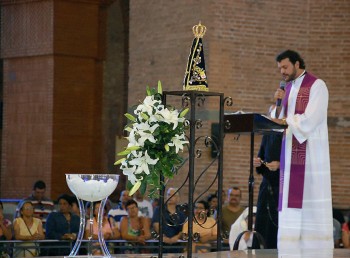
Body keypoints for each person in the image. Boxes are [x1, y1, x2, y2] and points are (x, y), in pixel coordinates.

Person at [272, 49, 333, 249]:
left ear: (297, 64)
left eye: (285, 66)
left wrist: (284, 120)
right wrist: (278, 104)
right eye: (280, 68)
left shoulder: (317, 86)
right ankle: (290, 250)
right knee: (290, 204)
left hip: (311, 158)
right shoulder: (287, 89)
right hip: (289, 159)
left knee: (310, 201)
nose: (282, 71)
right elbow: (276, 120)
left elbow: (311, 119)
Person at [253, 104, 282, 249]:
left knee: (275, 229)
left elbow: (298, 161)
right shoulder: (268, 133)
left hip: (282, 187)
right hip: (267, 186)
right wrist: (258, 163)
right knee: (262, 226)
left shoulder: (288, 134)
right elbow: (261, 156)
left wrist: (280, 165)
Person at [152, 187, 187, 253]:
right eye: (168, 194)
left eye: (172, 195)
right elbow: (156, 225)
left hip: (176, 246)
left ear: (178, 199)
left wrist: (176, 237)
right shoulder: (159, 210)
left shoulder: (181, 214)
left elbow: (183, 229)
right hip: (161, 244)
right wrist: (163, 236)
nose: (170, 196)